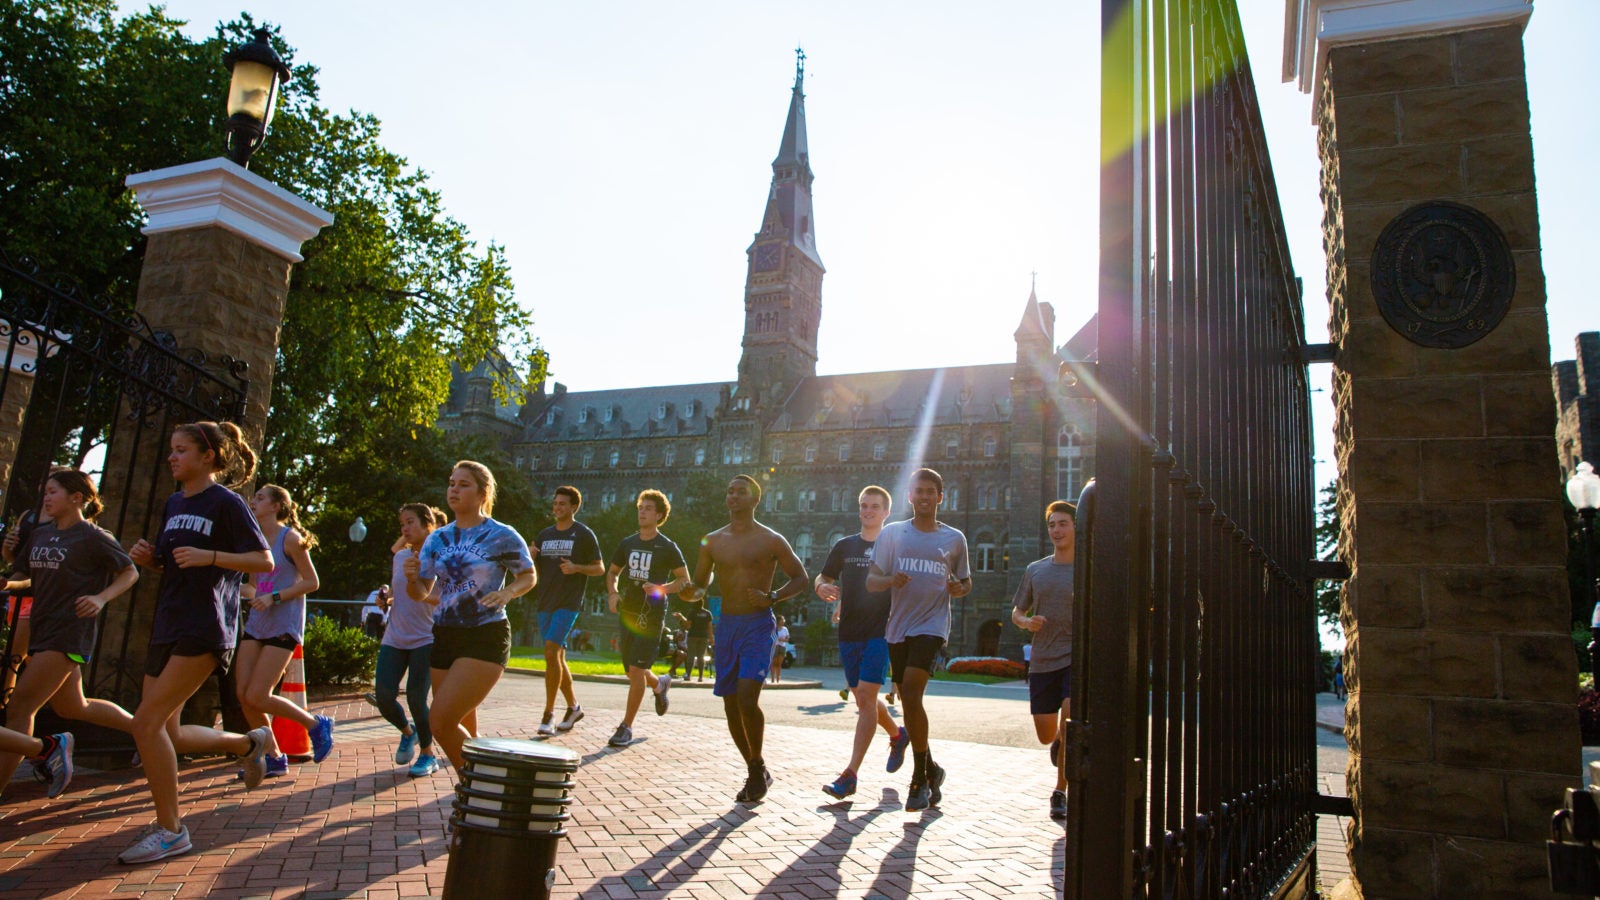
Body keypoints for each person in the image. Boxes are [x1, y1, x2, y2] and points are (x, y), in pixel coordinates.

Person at [122, 421, 276, 864]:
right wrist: (152, 561)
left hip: (205, 627)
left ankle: (171, 831)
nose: (171, 457)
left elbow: (261, 559)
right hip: (169, 623)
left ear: (207, 456)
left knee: (144, 724)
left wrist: (211, 556)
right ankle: (247, 744)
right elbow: (176, 566)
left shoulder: (225, 502)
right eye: (171, 449)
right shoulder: (174, 502)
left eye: (181, 450)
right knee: (168, 731)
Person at [0, 469, 139, 797]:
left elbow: (129, 571)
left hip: (69, 632)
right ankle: (146, 730)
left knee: (20, 707)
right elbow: (26, 577)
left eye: (52, 492)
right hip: (41, 628)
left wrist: (100, 598)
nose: (45, 499)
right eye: (45, 492)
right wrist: (9, 583)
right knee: (74, 708)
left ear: (76, 498)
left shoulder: (92, 536)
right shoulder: (40, 534)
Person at [404, 461, 536, 771]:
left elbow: (529, 576)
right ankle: (471, 790)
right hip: (445, 635)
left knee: (440, 721)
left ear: (482, 493)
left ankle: (485, 779)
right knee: (461, 723)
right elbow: (421, 593)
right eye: (451, 483)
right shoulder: (437, 539)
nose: (454, 489)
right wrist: (412, 578)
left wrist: (508, 593)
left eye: (464, 484)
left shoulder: (501, 534)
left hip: (485, 634)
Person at [684, 475, 807, 802]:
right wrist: (686, 591)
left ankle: (755, 770)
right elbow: (699, 585)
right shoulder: (711, 540)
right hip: (727, 626)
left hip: (757, 626)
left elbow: (800, 578)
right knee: (730, 704)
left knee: (747, 697)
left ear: (756, 500)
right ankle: (756, 768)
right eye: (730, 490)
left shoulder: (772, 540)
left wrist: (773, 596)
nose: (733, 496)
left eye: (741, 492)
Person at [866, 467, 970, 812]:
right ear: (909, 497)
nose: (924, 497)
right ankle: (932, 770)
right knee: (909, 704)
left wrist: (959, 587)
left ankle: (917, 780)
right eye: (918, 491)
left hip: (933, 624)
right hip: (898, 627)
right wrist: (890, 580)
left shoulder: (954, 539)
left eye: (931, 492)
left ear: (941, 497)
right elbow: (872, 581)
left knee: (911, 691)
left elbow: (965, 582)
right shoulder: (892, 534)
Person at [814, 484, 910, 800]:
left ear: (886, 512)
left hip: (881, 632)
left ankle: (851, 774)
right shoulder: (844, 546)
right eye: (864, 506)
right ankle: (898, 735)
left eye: (874, 507)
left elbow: (904, 588)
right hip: (849, 631)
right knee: (861, 697)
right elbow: (824, 577)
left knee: (867, 695)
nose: (868, 511)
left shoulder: (895, 546)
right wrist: (821, 588)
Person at [235, 485, 333, 779]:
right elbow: (254, 586)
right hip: (257, 623)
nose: (254, 501)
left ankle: (315, 724)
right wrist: (230, 589)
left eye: (261, 498)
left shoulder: (290, 538)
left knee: (258, 694)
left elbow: (312, 582)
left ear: (277, 506)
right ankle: (274, 757)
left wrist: (274, 597)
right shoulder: (255, 540)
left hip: (284, 624)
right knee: (243, 695)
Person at [604, 490, 690, 748]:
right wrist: (612, 593)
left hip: (651, 617)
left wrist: (662, 589)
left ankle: (626, 727)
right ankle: (660, 684)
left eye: (648, 508)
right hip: (628, 613)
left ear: (660, 515)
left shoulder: (667, 547)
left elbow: (684, 581)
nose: (642, 511)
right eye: (641, 507)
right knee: (633, 671)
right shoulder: (627, 543)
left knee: (637, 670)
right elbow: (612, 572)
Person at [1011, 500, 1076, 820]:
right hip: (1043, 658)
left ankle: (1060, 790)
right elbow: (1017, 612)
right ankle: (1060, 742)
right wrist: (1025, 622)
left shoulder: (1090, 569)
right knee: (1047, 734)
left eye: (1063, 523)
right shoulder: (1035, 569)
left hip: (1076, 657)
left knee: (1070, 713)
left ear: (1076, 527)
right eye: (1052, 525)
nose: (1056, 530)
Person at [374, 503, 447, 777]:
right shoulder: (400, 557)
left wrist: (419, 589)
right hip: (394, 636)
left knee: (417, 698)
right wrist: (387, 597)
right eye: (402, 524)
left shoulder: (440, 558)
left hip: (425, 637)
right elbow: (396, 591)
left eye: (410, 522)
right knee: (383, 696)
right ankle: (409, 731)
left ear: (428, 524)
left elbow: (442, 598)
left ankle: (428, 755)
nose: (405, 529)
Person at [531, 486, 602, 737]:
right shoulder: (544, 534)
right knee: (557, 657)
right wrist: (529, 556)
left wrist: (577, 567)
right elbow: (529, 565)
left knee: (550, 651)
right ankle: (573, 708)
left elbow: (599, 568)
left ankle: (548, 713)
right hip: (544, 602)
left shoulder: (583, 534)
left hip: (568, 602)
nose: (557, 507)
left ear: (574, 507)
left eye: (562, 504)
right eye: (555, 503)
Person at [684, 597, 713, 683]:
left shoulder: (692, 612)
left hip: (693, 635)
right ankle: (700, 676)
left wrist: (684, 624)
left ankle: (688, 675)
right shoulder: (707, 613)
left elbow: (688, 624)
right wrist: (711, 637)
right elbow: (710, 627)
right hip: (703, 636)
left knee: (691, 655)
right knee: (701, 656)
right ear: (702, 604)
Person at [770, 616, 790, 684]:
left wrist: (783, 639)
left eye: (783, 620)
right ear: (778, 621)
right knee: (773, 663)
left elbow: (787, 639)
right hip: (775, 646)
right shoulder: (774, 628)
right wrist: (776, 639)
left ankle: (778, 678)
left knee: (779, 663)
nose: (783, 621)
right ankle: (772, 678)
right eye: (782, 620)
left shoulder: (785, 629)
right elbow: (771, 636)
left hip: (782, 646)